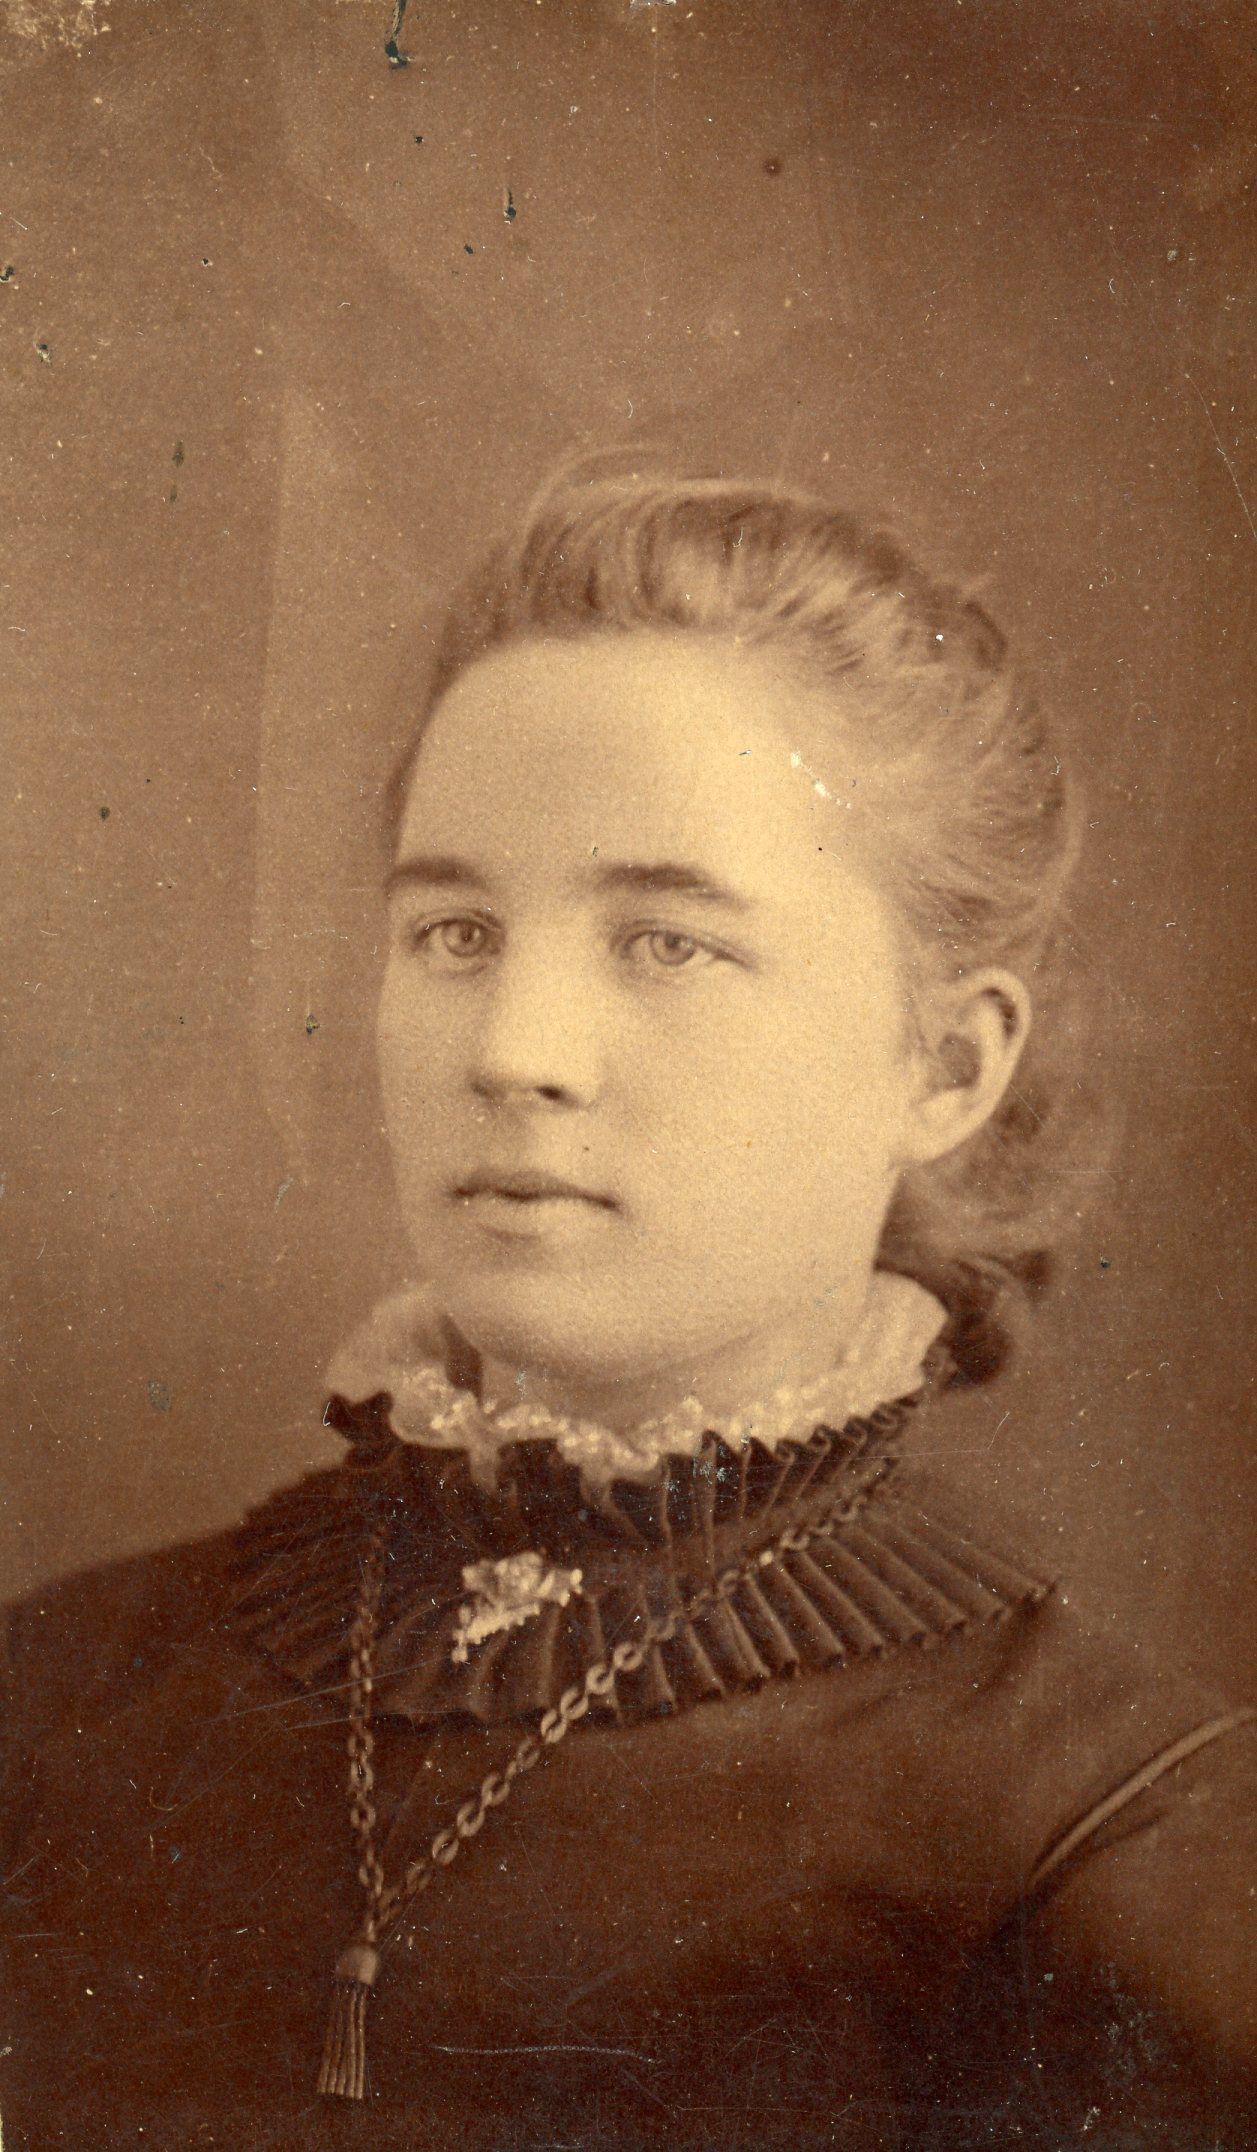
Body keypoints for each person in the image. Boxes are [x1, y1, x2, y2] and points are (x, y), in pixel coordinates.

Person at [2, 471, 1253, 2150]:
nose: (513, 1048)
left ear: (944, 1066)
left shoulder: (1111, 1832)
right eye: (454, 930)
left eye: (665, 945)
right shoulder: (62, 1689)